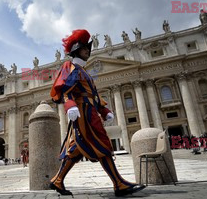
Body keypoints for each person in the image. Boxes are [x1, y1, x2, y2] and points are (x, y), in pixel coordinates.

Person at [49, 29, 145, 197]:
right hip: (83, 113)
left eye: (88, 48)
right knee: (102, 144)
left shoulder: (85, 71)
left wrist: (103, 109)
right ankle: (119, 184)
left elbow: (92, 94)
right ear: (77, 50)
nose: (88, 51)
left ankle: (57, 180)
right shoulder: (70, 67)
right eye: (85, 48)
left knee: (76, 148)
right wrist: (70, 105)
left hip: (90, 111)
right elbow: (65, 89)